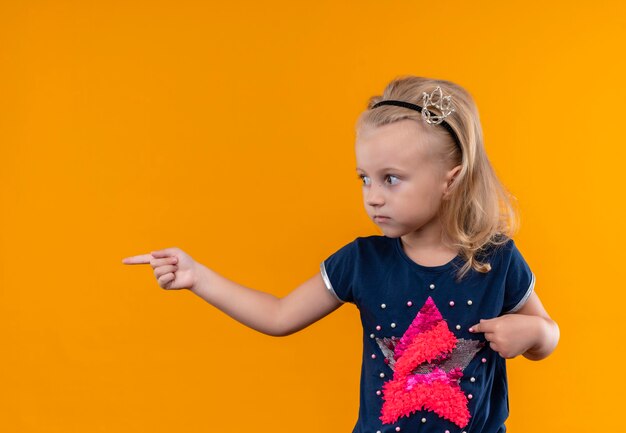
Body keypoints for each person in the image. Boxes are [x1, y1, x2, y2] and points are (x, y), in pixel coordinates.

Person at [122, 75, 560, 433]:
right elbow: (278, 316)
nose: (372, 197)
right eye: (364, 178)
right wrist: (199, 277)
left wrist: (534, 335)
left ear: (451, 179)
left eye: (391, 179)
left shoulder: (495, 258)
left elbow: (547, 332)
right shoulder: (360, 261)